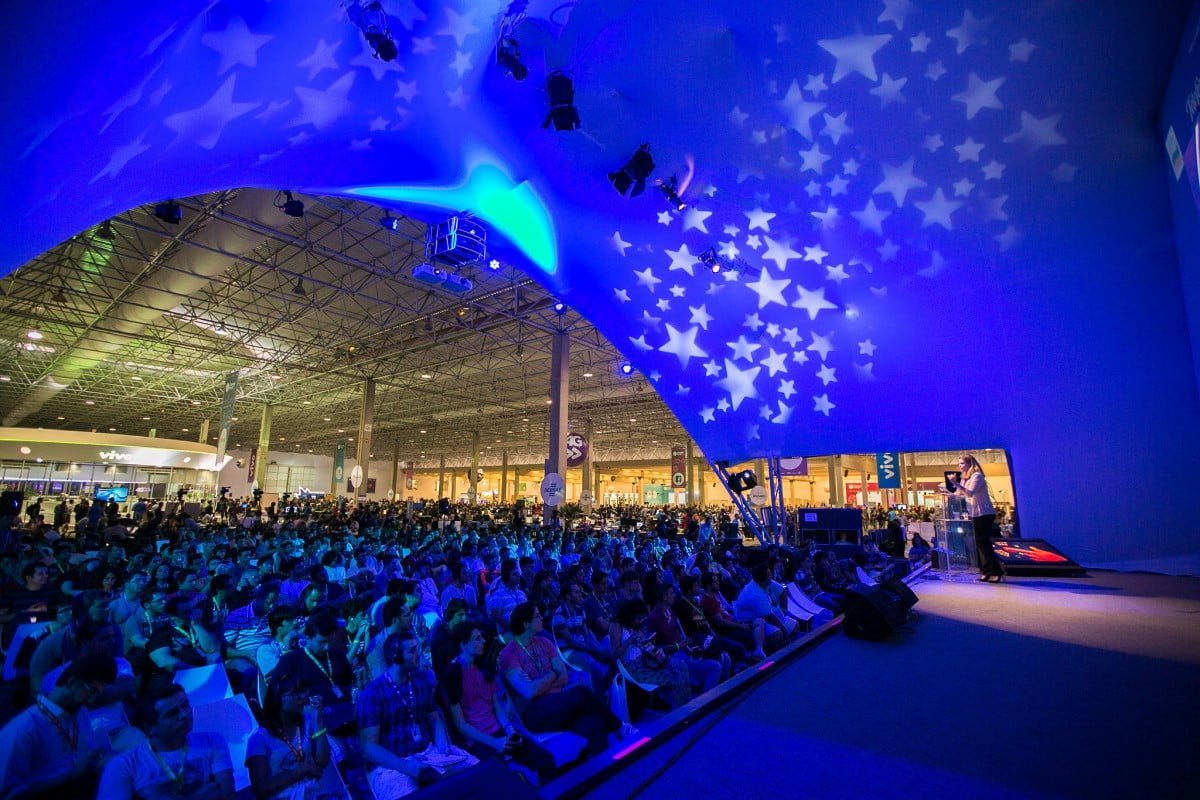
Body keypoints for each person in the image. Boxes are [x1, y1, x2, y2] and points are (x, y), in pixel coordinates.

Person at [356, 631, 478, 799]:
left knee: (475, 769)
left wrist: (443, 745)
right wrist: (406, 767)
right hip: (392, 764)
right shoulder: (372, 694)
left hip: (428, 753)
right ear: (396, 657)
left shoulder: (421, 679)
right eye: (412, 651)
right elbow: (369, 748)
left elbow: (433, 717)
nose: (419, 654)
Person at [442, 623, 558, 784]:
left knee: (545, 759)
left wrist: (509, 729)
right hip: (478, 740)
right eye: (477, 639)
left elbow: (496, 705)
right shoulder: (453, 674)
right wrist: (494, 742)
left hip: (499, 731)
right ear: (463, 644)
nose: (483, 641)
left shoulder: (483, 666)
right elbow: (460, 724)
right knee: (507, 779)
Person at [0, 652, 117, 800]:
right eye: (91, 691)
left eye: (98, 693)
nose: (93, 700)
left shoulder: (80, 713)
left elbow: (84, 754)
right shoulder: (23, 731)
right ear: (72, 682)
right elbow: (8, 793)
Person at [97, 683, 234, 800]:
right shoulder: (123, 765)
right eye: (172, 713)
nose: (184, 715)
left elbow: (227, 795)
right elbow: (216, 792)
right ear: (149, 728)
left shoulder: (212, 741)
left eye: (185, 705)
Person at [245, 671, 331, 800]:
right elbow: (261, 789)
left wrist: (318, 720)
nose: (304, 696)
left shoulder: (305, 723)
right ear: (277, 699)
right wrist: (303, 770)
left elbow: (322, 762)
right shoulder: (259, 740)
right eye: (296, 693)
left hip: (313, 793)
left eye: (304, 690)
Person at [950, 455, 1001, 582]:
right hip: (974, 514)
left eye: (962, 463)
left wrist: (955, 483)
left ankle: (995, 571)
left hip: (984, 514)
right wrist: (949, 490)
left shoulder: (976, 476)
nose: (959, 466)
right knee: (979, 543)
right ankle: (986, 570)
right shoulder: (965, 479)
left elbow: (969, 492)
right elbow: (959, 494)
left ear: (970, 464)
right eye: (959, 464)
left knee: (984, 543)